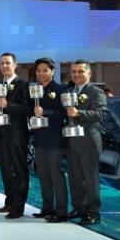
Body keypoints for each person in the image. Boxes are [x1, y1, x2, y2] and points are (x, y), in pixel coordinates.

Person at [64, 59, 108, 225]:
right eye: (74, 71)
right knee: (74, 178)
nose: (76, 74)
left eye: (80, 71)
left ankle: (93, 213)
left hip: (88, 141)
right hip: (71, 140)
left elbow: (102, 114)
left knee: (90, 178)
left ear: (89, 73)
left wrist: (79, 113)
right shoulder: (69, 91)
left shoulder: (96, 92)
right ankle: (78, 208)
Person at [28, 57, 68, 223]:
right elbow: (30, 111)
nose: (41, 73)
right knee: (43, 174)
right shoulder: (34, 90)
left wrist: (44, 112)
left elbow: (64, 113)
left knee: (56, 174)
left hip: (55, 139)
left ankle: (61, 211)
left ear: (52, 71)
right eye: (38, 70)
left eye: (45, 70)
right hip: (39, 139)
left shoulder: (61, 90)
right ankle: (47, 208)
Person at [0, 52, 30, 219]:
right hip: (1, 134)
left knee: (19, 170)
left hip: (17, 135)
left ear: (15, 65)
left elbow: (28, 109)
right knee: (6, 170)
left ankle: (18, 207)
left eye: (8, 63)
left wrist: (8, 105)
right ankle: (9, 202)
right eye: (2, 63)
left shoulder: (23, 85)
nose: (5, 66)